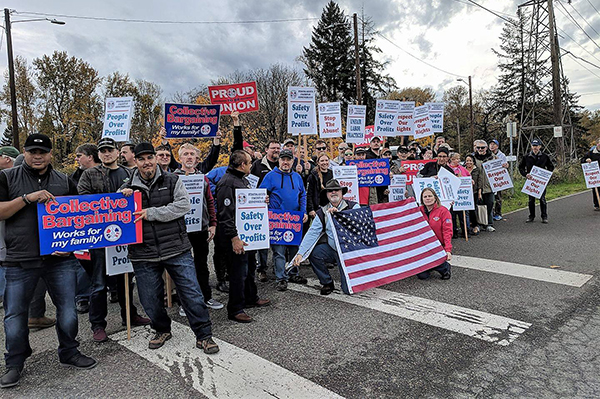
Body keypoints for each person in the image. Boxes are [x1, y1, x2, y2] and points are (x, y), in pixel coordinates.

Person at [0, 134, 97, 388]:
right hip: (19, 259)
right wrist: (27, 198)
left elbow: (80, 217)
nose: (38, 156)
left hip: (59, 260)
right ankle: (15, 362)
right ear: (25, 152)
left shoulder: (63, 180)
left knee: (67, 311)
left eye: (43, 151)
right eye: (32, 151)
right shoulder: (7, 177)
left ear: (51, 153)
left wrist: (72, 246)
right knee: (15, 316)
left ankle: (69, 351)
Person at [120, 142, 219, 354]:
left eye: (150, 157)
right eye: (141, 159)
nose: (146, 162)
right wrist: (122, 199)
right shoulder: (126, 187)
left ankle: (204, 335)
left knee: (192, 293)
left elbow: (183, 206)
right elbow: (118, 217)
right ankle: (162, 329)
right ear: (135, 161)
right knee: (149, 299)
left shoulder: (173, 180)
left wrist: (151, 213)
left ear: (156, 159)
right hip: (143, 253)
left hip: (176, 249)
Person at [78, 137, 150, 343]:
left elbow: (142, 196)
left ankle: (130, 315)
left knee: (126, 280)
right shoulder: (89, 174)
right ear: (98, 155)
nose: (107, 154)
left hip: (126, 235)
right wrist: (116, 198)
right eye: (103, 151)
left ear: (118, 152)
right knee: (99, 284)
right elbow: (84, 202)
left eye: (110, 150)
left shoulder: (130, 173)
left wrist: (133, 193)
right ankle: (98, 324)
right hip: (101, 238)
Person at [215, 150, 271, 323]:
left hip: (248, 235)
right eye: (249, 162)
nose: (251, 165)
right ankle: (235, 309)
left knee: (249, 269)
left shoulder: (242, 180)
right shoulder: (227, 183)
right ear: (242, 165)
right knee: (238, 273)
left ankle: (250, 297)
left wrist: (261, 201)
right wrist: (234, 238)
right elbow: (225, 215)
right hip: (235, 237)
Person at [174, 143, 223, 311]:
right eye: (185, 154)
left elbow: (210, 201)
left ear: (196, 158)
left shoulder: (203, 178)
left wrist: (213, 224)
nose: (189, 157)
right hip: (180, 230)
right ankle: (184, 302)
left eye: (192, 154)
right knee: (183, 268)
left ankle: (206, 297)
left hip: (201, 228)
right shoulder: (173, 177)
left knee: (202, 265)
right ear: (180, 158)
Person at [291, 179, 361, 295]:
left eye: (336, 190)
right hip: (332, 249)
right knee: (314, 253)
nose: (333, 192)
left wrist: (338, 215)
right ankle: (327, 282)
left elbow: (359, 227)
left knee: (348, 290)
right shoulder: (322, 212)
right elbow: (312, 233)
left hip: (349, 252)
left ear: (341, 192)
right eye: (330, 191)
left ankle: (356, 277)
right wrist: (300, 253)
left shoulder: (354, 206)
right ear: (327, 195)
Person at [259, 149, 308, 291]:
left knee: (294, 248)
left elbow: (302, 195)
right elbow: (260, 194)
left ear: (293, 161)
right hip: (277, 220)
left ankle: (293, 273)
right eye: (283, 159)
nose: (285, 162)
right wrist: (265, 200)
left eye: (288, 159)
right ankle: (281, 277)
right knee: (279, 251)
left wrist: (303, 212)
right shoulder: (270, 176)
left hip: (294, 219)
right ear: (279, 160)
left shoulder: (297, 177)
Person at [416, 188, 452, 280]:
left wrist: (448, 250)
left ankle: (445, 267)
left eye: (430, 196)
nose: (427, 198)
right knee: (422, 276)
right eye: (425, 197)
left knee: (444, 274)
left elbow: (447, 231)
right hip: (424, 246)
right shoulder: (418, 211)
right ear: (422, 199)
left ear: (435, 198)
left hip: (438, 246)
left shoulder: (443, 211)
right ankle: (430, 264)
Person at [519, 138, 554, 223]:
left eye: (537, 146)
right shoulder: (526, 156)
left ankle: (544, 217)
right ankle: (531, 216)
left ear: (540, 146)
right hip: (531, 182)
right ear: (531, 146)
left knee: (542, 199)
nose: (535, 147)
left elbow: (551, 166)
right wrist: (525, 174)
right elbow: (521, 167)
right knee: (531, 200)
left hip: (541, 182)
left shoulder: (545, 156)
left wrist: (546, 174)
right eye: (533, 146)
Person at [472, 140, 497, 232]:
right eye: (478, 147)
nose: (480, 149)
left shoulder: (493, 158)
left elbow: (500, 168)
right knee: (477, 206)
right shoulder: (473, 158)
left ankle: (489, 224)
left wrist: (505, 165)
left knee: (489, 204)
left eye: (482, 147)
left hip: (489, 186)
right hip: (476, 187)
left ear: (486, 148)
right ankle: (477, 224)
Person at [489, 139, 509, 221]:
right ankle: (491, 213)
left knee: (498, 197)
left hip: (498, 179)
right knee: (490, 198)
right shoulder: (488, 154)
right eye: (491, 144)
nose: (492, 146)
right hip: (490, 178)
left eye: (494, 144)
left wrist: (506, 165)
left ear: (497, 146)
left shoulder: (502, 155)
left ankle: (498, 213)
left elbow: (505, 165)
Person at [581, 137, 600, 211]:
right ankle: (597, 204)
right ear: (597, 144)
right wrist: (586, 160)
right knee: (596, 189)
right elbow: (582, 160)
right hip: (595, 174)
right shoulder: (591, 153)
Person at [464, 154, 480, 235]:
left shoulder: (477, 170)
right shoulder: (462, 170)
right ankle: (468, 226)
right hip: (465, 193)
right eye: (467, 161)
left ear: (473, 162)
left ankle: (475, 225)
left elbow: (479, 182)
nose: (468, 162)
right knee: (466, 211)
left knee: (473, 210)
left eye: (470, 160)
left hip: (474, 192)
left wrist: (480, 193)